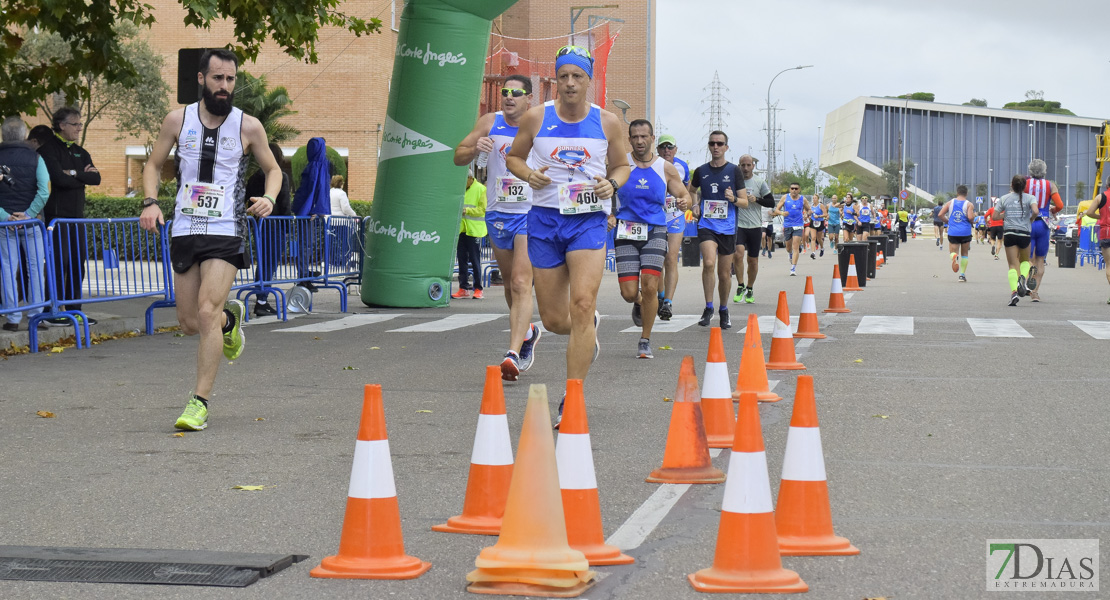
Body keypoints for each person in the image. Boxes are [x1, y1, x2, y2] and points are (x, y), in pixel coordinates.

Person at [139, 48, 281, 431]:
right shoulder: (176, 120)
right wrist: (150, 202)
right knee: (189, 322)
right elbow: (152, 165)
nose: (225, 86)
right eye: (218, 78)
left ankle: (198, 403)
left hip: (226, 229)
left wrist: (268, 198)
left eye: (231, 79)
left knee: (204, 312)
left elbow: (273, 169)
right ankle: (229, 321)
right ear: (201, 79)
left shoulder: (248, 126)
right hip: (186, 228)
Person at [504, 44, 629, 424]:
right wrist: (528, 175)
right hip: (544, 219)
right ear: (555, 80)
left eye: (577, 76)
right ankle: (586, 332)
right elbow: (513, 156)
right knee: (557, 319)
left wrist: (611, 183)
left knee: (582, 304)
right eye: (563, 76)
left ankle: (572, 397)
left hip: (588, 219)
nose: (570, 83)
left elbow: (622, 166)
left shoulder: (607, 122)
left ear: (588, 81)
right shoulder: (536, 118)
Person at [454, 73, 542, 380]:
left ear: (529, 98)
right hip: (497, 213)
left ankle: (513, 353)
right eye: (505, 91)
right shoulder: (490, 122)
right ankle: (528, 332)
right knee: (508, 285)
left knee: (520, 282)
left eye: (516, 93)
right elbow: (458, 156)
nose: (509, 97)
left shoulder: (538, 124)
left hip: (530, 213)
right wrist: (475, 148)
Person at [612, 119, 690, 358]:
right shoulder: (621, 164)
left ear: (652, 139)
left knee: (650, 285)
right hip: (626, 229)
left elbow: (683, 192)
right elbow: (607, 190)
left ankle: (645, 339)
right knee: (628, 292)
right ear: (630, 139)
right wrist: (608, 214)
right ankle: (638, 302)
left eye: (644, 137)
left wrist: (684, 200)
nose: (639, 141)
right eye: (634, 137)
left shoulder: (664, 168)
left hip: (655, 229)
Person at [38, 106, 100, 326]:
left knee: (77, 264)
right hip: (56, 219)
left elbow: (97, 178)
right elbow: (58, 180)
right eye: (75, 124)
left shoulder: (80, 151)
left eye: (80, 124)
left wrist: (74, 173)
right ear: (61, 125)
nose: (79, 128)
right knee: (57, 264)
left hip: (76, 219)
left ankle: (74, 310)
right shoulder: (48, 150)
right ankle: (51, 309)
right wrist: (82, 177)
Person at [688, 131, 748, 328]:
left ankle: (723, 309)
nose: (716, 147)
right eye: (712, 143)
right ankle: (708, 307)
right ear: (709, 145)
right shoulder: (700, 170)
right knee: (708, 263)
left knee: (724, 274)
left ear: (726, 147)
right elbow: (691, 190)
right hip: (707, 225)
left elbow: (745, 202)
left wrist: (733, 199)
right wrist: (694, 206)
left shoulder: (734, 171)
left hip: (728, 227)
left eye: (720, 144)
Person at [0, 117, 49, 332]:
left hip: (4, 226)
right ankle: (36, 314)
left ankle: (12, 318)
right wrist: (28, 215)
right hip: (31, 225)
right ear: (23, 135)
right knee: (36, 268)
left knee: (7, 270)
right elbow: (44, 190)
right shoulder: (36, 158)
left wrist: (5, 216)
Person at [245, 142, 291, 317]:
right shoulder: (281, 177)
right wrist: (287, 228)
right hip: (275, 225)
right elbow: (285, 203)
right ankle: (262, 301)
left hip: (258, 225)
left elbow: (247, 199)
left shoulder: (253, 177)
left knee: (263, 262)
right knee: (270, 263)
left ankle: (261, 298)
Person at [655, 134, 690, 321]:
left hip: (675, 216)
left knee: (671, 258)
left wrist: (687, 203)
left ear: (675, 150)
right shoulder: (652, 165)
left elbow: (687, 190)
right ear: (658, 149)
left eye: (670, 147)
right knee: (657, 259)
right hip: (656, 217)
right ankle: (660, 296)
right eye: (663, 147)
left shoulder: (682, 167)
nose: (666, 150)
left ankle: (668, 301)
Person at [732, 154, 774, 304]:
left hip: (755, 225)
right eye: (742, 165)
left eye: (748, 165)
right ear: (739, 166)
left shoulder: (759, 182)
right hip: (739, 225)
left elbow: (770, 202)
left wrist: (757, 199)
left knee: (753, 261)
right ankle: (740, 285)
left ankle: (750, 288)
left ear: (753, 166)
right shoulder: (735, 180)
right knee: (738, 254)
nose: (745, 168)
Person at [291, 137, 332, 287]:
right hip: (307, 213)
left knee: (308, 244)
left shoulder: (316, 166)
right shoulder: (316, 167)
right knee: (305, 244)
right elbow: (313, 190)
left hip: (307, 211)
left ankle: (304, 276)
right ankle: (303, 278)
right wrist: (313, 208)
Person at [993, 176, 1038, 306]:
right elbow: (1035, 210)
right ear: (1024, 187)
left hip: (1010, 233)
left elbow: (995, 216)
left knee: (1012, 265)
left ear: (1011, 185)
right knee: (1025, 261)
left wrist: (1005, 214)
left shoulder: (1004, 198)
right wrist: (1031, 219)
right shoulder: (1030, 198)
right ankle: (1022, 278)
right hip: (1024, 233)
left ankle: (1014, 292)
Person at [1024, 159, 1063, 302]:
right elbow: (1059, 204)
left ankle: (1028, 275)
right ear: (1044, 171)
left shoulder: (1025, 184)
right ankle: (1035, 293)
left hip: (1028, 223)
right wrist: (1053, 209)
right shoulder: (1050, 185)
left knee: (1028, 258)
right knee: (1041, 259)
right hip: (1043, 224)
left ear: (1030, 170)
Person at [452, 173, 487, 299]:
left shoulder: (481, 189)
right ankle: (463, 288)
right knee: (461, 259)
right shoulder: (460, 189)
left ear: (470, 178)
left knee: (475, 260)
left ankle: (478, 288)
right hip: (461, 229)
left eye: (464, 180)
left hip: (474, 230)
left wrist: (467, 210)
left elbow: (482, 210)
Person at [938, 185, 975, 282]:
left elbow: (940, 214)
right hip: (965, 232)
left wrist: (947, 221)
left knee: (953, 251)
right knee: (965, 253)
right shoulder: (969, 204)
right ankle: (962, 275)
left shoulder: (950, 203)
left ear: (957, 193)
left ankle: (954, 256)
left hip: (953, 231)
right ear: (966, 193)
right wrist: (973, 219)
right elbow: (971, 218)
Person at [775, 182, 809, 276]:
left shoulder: (803, 199)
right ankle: (790, 254)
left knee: (795, 246)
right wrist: (782, 213)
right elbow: (776, 209)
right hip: (787, 225)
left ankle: (793, 268)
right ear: (790, 189)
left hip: (798, 225)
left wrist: (806, 214)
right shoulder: (785, 198)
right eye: (792, 188)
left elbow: (809, 209)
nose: (794, 190)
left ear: (799, 189)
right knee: (788, 247)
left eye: (796, 188)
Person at [1084, 180, 1110, 304]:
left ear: (1106, 185)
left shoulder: (1101, 197)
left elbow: (1089, 212)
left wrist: (1102, 217)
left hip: (1106, 233)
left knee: (1109, 265)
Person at [806, 193, 826, 259]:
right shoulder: (811, 206)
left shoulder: (821, 205)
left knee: (819, 239)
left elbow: (825, 214)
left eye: (815, 198)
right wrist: (809, 213)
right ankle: (813, 253)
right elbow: (808, 214)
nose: (814, 199)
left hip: (820, 222)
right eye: (813, 198)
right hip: (813, 222)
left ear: (818, 199)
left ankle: (822, 248)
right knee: (813, 238)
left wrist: (819, 216)